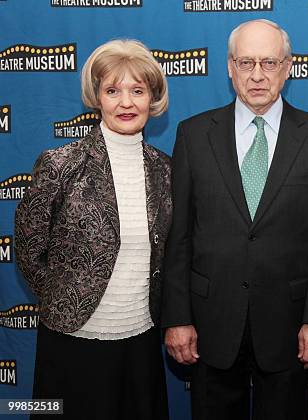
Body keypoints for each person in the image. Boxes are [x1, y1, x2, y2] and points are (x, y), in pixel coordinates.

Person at [161, 19, 308, 420]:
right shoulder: (193, 135)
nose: (257, 75)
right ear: (229, 67)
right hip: (210, 324)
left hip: (289, 326)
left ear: (288, 66)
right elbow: (180, 236)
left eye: (269, 62)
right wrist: (177, 318)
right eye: (246, 63)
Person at [14, 39, 172, 420]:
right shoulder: (60, 164)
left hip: (141, 338)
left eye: (138, 90)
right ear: (97, 97)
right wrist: (68, 298)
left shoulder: (164, 169)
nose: (126, 102)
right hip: (72, 342)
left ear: (152, 98)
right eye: (113, 91)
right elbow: (29, 249)